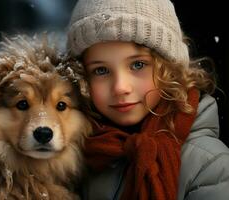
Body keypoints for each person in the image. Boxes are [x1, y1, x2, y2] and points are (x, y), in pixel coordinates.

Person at [65, 0, 229, 199]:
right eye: (101, 70)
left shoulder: (210, 165)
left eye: (138, 65)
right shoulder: (73, 158)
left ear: (170, 68)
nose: (120, 87)